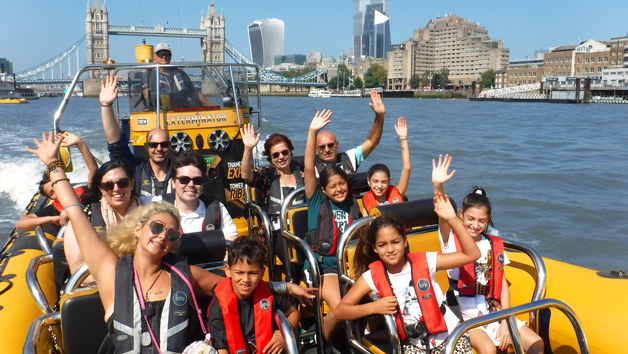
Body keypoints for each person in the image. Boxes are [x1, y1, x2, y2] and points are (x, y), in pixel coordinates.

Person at [26, 132, 316, 354]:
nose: (163, 236)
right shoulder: (112, 273)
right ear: (137, 230)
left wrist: (285, 287)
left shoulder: (183, 273)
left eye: (173, 234)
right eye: (156, 227)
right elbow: (75, 211)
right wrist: (53, 164)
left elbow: (235, 283)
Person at [335, 198, 481, 354]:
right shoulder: (371, 276)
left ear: (404, 242)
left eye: (395, 242)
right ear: (375, 248)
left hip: (450, 334)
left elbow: (472, 254)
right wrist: (374, 307)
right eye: (382, 245)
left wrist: (452, 220)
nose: (390, 249)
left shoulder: (427, 260)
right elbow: (340, 311)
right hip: (413, 343)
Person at [432, 155, 544, 354]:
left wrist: (505, 319)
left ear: (488, 220)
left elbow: (502, 285)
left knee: (536, 343)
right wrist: (438, 186)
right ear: (460, 214)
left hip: (491, 310)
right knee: (488, 348)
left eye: (481, 221)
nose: (475, 225)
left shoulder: (492, 245)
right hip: (462, 312)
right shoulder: (450, 240)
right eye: (470, 219)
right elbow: (442, 212)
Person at [304, 109, 361, 346]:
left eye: (342, 184)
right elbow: (308, 168)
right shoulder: (316, 200)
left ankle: (361, 339)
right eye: (333, 186)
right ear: (324, 190)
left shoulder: (354, 205)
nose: (338, 189)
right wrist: (312, 131)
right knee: (340, 308)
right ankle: (321, 345)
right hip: (325, 268)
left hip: (350, 266)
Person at [208, 236, 300, 354]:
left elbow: (294, 313)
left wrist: (284, 333)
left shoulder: (268, 294)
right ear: (228, 271)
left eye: (252, 273)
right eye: (239, 273)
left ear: (262, 273)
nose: (246, 279)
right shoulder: (217, 307)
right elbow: (222, 349)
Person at [63, 159, 141, 283]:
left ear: (132, 184)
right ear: (101, 190)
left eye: (123, 183)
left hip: (143, 282)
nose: (116, 189)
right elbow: (77, 267)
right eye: (108, 185)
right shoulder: (85, 218)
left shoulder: (149, 214)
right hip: (95, 286)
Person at [100, 73, 173, 197]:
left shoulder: (181, 173)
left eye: (164, 144)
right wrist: (106, 105)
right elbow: (116, 144)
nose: (159, 149)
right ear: (146, 147)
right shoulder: (136, 169)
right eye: (153, 145)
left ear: (170, 146)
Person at [240, 125, 304, 266]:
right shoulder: (266, 176)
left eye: (284, 152)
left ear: (290, 152)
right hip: (277, 232)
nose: (281, 157)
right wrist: (248, 149)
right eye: (276, 155)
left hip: (302, 228)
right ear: (270, 158)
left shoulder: (303, 176)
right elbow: (246, 175)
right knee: (295, 258)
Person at [141, 150, 238, 241]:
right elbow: (128, 201)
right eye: (184, 180)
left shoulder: (217, 209)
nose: (191, 185)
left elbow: (232, 247)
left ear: (203, 184)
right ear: (173, 183)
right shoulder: (156, 205)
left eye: (197, 180)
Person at [17, 132, 98, 231]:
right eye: (52, 192)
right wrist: (51, 219)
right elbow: (20, 223)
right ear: (51, 198)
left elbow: (93, 168)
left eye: (56, 186)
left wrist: (79, 143)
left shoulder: (87, 192)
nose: (57, 191)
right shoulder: (53, 210)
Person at [314, 89, 386, 176]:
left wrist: (380, 116)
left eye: (331, 145)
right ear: (316, 149)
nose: (327, 150)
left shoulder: (349, 159)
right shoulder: (312, 168)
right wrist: (312, 130)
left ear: (337, 144)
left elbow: (371, 142)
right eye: (322, 147)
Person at [361, 117, 411, 216]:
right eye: (375, 181)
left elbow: (407, 168)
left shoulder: (398, 193)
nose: (379, 186)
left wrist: (403, 138)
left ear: (389, 182)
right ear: (368, 181)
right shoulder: (366, 210)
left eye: (384, 182)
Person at [141, 43, 214, 110]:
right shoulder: (148, 74)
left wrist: (213, 107)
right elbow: (146, 93)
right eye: (160, 54)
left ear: (170, 56)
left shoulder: (180, 73)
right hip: (159, 113)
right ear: (154, 56)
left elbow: (194, 93)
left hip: (180, 112)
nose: (164, 57)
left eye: (167, 54)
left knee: (195, 103)